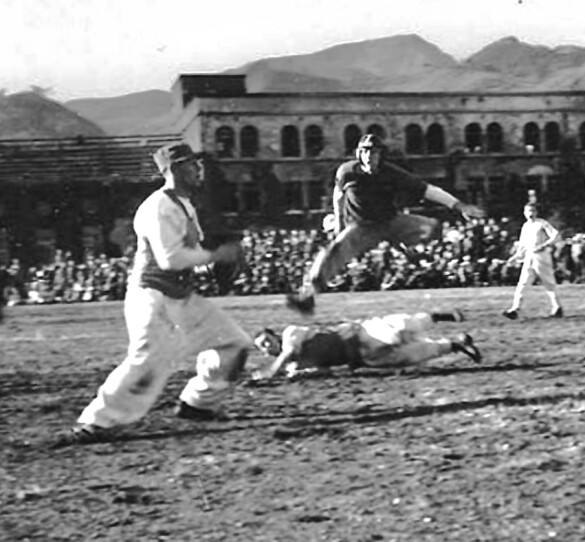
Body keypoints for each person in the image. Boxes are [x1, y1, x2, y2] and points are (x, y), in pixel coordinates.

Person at [53, 143, 252, 447]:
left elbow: (189, 256)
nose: (198, 169)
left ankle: (197, 404)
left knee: (234, 344)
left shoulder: (184, 203)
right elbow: (170, 259)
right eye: (190, 165)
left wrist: (209, 266)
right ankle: (95, 422)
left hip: (179, 295)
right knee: (146, 360)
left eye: (197, 163)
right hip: (152, 295)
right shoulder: (159, 206)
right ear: (172, 170)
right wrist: (217, 254)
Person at [287, 133, 486, 315]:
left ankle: (418, 255)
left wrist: (460, 206)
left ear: (381, 155)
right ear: (358, 153)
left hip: (391, 221)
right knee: (332, 254)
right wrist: (339, 225)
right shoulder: (347, 172)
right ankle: (307, 296)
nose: (369, 157)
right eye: (365, 152)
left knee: (433, 227)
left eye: (373, 152)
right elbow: (338, 198)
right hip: (361, 227)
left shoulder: (392, 173)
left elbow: (428, 190)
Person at [250, 310, 481, 381]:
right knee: (409, 356)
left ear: (274, 335)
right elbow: (325, 371)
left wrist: (270, 373)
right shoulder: (292, 365)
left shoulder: (291, 334)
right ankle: (453, 345)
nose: (266, 348)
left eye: (265, 341)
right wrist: (303, 374)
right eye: (262, 348)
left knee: (398, 331)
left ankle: (438, 316)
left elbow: (288, 353)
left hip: (358, 335)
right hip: (360, 358)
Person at [502, 203, 564, 319]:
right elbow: (523, 245)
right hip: (529, 256)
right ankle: (515, 309)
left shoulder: (542, 223)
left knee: (548, 282)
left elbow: (556, 236)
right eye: (528, 211)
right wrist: (515, 256)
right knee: (523, 283)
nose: (530, 214)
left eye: (532, 211)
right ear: (524, 213)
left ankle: (557, 308)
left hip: (541, 256)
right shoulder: (525, 226)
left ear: (536, 212)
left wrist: (544, 245)